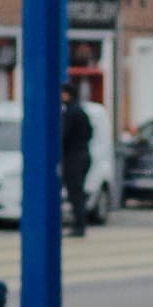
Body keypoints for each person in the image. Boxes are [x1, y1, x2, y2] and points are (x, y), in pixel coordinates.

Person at [59, 81, 94, 237]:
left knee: (75, 193)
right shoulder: (80, 111)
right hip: (82, 155)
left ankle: (79, 225)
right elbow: (89, 132)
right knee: (77, 192)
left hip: (73, 158)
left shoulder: (70, 112)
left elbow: (64, 135)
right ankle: (79, 223)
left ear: (67, 94)